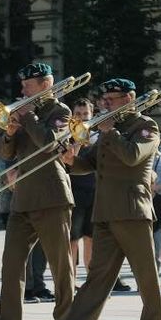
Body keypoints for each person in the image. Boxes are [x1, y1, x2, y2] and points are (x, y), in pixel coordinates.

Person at [46, 78, 161, 320]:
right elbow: (88, 163)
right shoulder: (110, 128)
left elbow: (133, 156)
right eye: (104, 100)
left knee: (145, 275)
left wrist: (110, 131)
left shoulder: (145, 127)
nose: (105, 104)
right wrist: (69, 160)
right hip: (105, 211)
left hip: (132, 210)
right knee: (98, 274)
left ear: (129, 99)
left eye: (112, 100)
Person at [0, 62, 75, 320]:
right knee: (11, 262)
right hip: (22, 197)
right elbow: (7, 153)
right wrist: (9, 132)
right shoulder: (22, 111)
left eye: (28, 85)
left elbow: (49, 144)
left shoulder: (61, 112)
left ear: (46, 84)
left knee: (60, 266)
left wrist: (29, 116)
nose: (22, 90)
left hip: (51, 194)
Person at [68, 98, 96, 280]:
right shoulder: (67, 136)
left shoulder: (99, 136)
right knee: (73, 240)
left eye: (85, 114)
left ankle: (91, 280)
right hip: (75, 194)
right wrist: (77, 140)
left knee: (91, 238)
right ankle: (71, 280)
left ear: (92, 114)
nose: (82, 117)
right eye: (78, 114)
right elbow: (69, 162)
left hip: (94, 192)